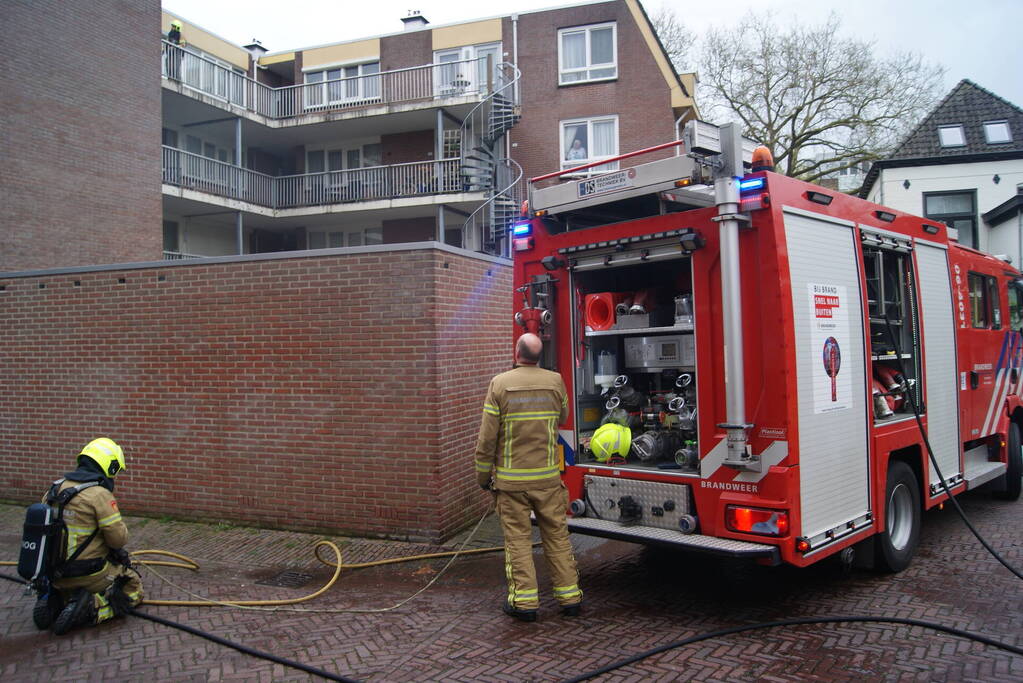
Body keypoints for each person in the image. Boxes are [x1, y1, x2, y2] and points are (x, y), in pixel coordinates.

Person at [474, 333, 582, 622]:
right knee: (558, 538)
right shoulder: (555, 381)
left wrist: (483, 476)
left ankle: (524, 604)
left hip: (512, 484)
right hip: (547, 480)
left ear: (516, 352)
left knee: (518, 542)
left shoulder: (500, 384)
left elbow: (487, 439)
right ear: (539, 355)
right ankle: (570, 598)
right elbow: (564, 417)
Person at [40, 437, 144, 636]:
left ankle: (57, 601)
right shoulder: (99, 495)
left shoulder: (55, 489)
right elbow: (118, 540)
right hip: (90, 573)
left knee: (66, 587)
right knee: (133, 586)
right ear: (109, 467)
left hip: (54, 573)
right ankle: (93, 608)